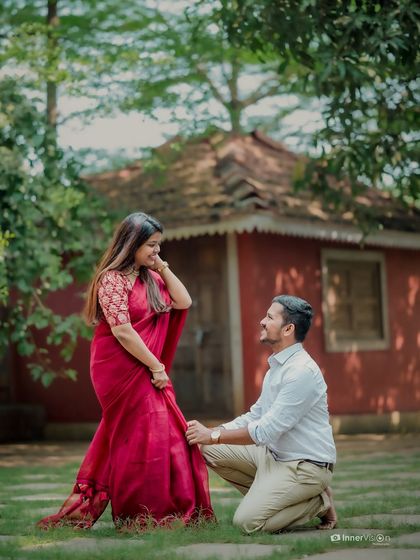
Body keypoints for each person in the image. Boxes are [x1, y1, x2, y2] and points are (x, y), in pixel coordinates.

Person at [38, 212, 214, 530]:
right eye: (151, 245)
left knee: (163, 433)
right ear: (131, 244)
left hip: (144, 363)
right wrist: (157, 366)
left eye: (159, 245)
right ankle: (138, 514)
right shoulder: (111, 279)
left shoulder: (152, 277)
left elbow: (184, 301)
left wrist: (161, 266)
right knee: (145, 435)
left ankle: (161, 508)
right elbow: (122, 331)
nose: (156, 251)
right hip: (117, 367)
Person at [186, 295, 337, 534]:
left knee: (248, 523)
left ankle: (317, 502)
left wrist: (213, 435)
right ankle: (278, 497)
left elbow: (266, 430)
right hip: (273, 457)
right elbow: (256, 414)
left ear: (288, 328)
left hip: (304, 466)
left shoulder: (301, 371)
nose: (262, 321)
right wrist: (212, 433)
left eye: (269, 317)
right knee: (208, 449)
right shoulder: (277, 366)